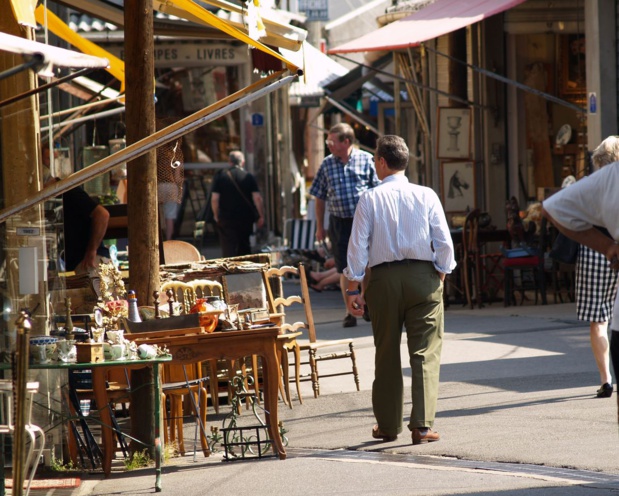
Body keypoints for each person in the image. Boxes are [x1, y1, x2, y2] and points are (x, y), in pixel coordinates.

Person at [344, 135, 456, 445]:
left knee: (387, 352)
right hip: (424, 276)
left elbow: (358, 247)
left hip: (384, 280)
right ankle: (421, 426)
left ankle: (388, 426)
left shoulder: (369, 198)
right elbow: (444, 243)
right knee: (425, 353)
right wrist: (440, 276)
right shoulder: (426, 194)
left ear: (381, 161)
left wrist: (354, 288)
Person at [542, 137, 619, 404]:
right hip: (611, 250)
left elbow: (553, 208)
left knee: (599, 322)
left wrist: (605, 245)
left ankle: (605, 379)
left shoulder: (595, 185)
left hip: (596, 254)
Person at [309, 122, 379, 327]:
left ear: (346, 142)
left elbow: (377, 192)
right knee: (343, 268)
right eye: (327, 141)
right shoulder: (327, 164)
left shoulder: (366, 160)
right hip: (339, 223)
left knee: (366, 265)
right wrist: (320, 227)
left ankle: (365, 303)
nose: (328, 145)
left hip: (364, 221)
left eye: (332, 141)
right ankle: (349, 310)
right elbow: (319, 198)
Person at [43, 147, 110, 274]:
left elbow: (102, 215)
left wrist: (91, 251)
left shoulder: (67, 191)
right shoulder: (50, 201)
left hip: (89, 262)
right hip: (78, 264)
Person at [211, 150, 264, 257]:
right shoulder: (248, 177)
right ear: (243, 162)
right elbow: (257, 198)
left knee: (228, 247)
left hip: (226, 218)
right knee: (244, 244)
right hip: (245, 218)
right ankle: (244, 269)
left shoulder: (220, 177)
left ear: (229, 162)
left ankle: (229, 270)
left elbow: (214, 199)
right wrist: (261, 215)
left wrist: (216, 215)